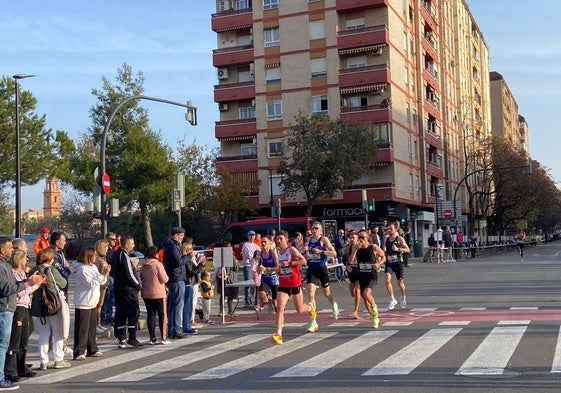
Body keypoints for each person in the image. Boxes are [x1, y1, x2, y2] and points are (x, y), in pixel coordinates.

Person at [1, 238, 46, 390]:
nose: (11, 250)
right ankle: (8, 372)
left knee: (21, 340)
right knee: (9, 343)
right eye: (9, 247)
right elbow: (12, 290)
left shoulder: (12, 269)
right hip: (12, 307)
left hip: (18, 306)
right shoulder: (6, 268)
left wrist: (33, 282)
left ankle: (19, 366)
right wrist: (31, 284)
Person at [29, 247, 70, 371]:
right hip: (53, 304)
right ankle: (58, 359)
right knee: (57, 332)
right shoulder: (51, 270)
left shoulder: (33, 270)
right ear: (50, 259)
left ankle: (43, 361)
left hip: (39, 305)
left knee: (43, 332)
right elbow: (63, 283)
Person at [271, 230, 310, 345]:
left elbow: (304, 261)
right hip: (283, 284)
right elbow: (278, 266)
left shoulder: (291, 250)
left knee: (300, 309)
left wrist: (290, 264)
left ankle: (310, 307)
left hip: (295, 283)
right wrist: (275, 269)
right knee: (280, 308)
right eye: (277, 239)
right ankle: (279, 334)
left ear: (286, 240)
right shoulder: (276, 252)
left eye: (281, 239)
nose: (278, 241)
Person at [73, 247, 110, 360]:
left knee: (91, 328)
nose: (95, 257)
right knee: (82, 328)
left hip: (92, 301)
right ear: (88, 256)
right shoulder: (82, 269)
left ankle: (92, 348)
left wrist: (104, 275)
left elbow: (101, 282)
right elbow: (91, 283)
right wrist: (101, 275)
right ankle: (79, 351)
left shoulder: (93, 267)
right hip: (83, 301)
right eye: (94, 255)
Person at [305, 221, 339, 333]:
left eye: (316, 228)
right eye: (313, 228)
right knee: (310, 294)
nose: (314, 230)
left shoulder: (323, 239)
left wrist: (321, 251)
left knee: (327, 293)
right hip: (312, 269)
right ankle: (313, 321)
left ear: (320, 230)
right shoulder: (309, 240)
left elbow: (334, 253)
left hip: (322, 269)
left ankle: (333, 304)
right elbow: (306, 253)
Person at [348, 229, 386, 328]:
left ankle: (374, 307)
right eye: (359, 237)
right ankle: (373, 317)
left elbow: (383, 256)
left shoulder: (373, 247)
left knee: (366, 293)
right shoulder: (357, 249)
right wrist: (355, 250)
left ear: (367, 238)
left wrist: (378, 263)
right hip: (362, 275)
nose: (360, 240)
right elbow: (350, 261)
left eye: (363, 237)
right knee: (365, 298)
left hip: (371, 275)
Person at [111, 236, 143, 348]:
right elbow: (129, 274)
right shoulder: (124, 256)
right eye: (132, 243)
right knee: (134, 312)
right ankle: (132, 338)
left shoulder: (115, 254)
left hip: (118, 287)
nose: (134, 245)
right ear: (126, 244)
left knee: (121, 313)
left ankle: (121, 337)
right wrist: (138, 285)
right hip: (128, 289)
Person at [140, 246, 170, 345]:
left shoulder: (143, 265)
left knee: (151, 314)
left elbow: (142, 278)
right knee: (162, 315)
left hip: (146, 293)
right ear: (155, 254)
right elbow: (164, 279)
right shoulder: (158, 264)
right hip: (159, 293)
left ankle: (152, 337)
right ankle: (163, 337)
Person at [162, 227, 186, 340]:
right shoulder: (172, 246)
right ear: (175, 235)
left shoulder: (170, 245)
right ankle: (175, 329)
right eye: (181, 235)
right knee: (177, 305)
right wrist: (189, 257)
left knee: (173, 305)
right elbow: (178, 262)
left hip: (174, 277)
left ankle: (172, 329)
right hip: (176, 278)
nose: (182, 238)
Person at [384, 222, 410, 310]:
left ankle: (403, 297)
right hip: (389, 263)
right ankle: (392, 299)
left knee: (400, 282)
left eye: (391, 229)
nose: (389, 230)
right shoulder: (386, 239)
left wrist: (398, 249)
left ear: (395, 229)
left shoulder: (399, 239)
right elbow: (384, 250)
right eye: (388, 229)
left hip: (398, 262)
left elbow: (407, 250)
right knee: (387, 279)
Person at [212, 241, 240, 318]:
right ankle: (230, 311)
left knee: (223, 294)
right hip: (230, 277)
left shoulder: (219, 256)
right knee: (230, 295)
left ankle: (221, 310)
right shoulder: (231, 256)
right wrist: (237, 263)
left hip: (221, 277)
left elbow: (216, 266)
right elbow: (236, 267)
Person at [182, 239, 202, 335]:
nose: (192, 250)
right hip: (188, 284)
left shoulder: (189, 260)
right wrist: (201, 264)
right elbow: (191, 272)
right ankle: (186, 325)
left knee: (189, 306)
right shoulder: (187, 260)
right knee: (187, 306)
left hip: (190, 284)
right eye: (190, 249)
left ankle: (187, 324)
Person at [256, 236, 279, 312]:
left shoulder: (273, 253)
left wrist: (268, 269)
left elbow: (278, 267)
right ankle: (268, 300)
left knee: (275, 302)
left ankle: (278, 315)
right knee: (261, 295)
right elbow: (258, 266)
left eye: (265, 242)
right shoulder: (260, 254)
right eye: (262, 241)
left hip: (273, 278)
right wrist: (259, 269)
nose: (263, 243)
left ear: (270, 243)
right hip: (264, 278)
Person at [100, 233, 118, 326]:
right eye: (112, 239)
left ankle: (109, 316)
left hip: (111, 277)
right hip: (108, 277)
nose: (115, 241)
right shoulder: (107, 252)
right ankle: (105, 317)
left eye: (115, 239)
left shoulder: (112, 250)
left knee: (110, 299)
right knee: (107, 298)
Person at [342, 231, 361, 319]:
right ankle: (358, 299)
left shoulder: (361, 247)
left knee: (357, 291)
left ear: (357, 239)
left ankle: (355, 311)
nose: (352, 240)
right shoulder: (347, 249)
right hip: (351, 271)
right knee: (352, 293)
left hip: (360, 271)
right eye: (351, 238)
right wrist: (346, 266)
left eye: (354, 238)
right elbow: (344, 260)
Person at [93, 239, 110, 334]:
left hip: (104, 285)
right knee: (98, 305)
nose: (107, 249)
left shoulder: (102, 259)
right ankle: (96, 324)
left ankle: (98, 323)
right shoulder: (98, 260)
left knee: (100, 305)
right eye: (106, 247)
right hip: (100, 286)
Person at [48, 232, 71, 298]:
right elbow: (60, 269)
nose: (65, 243)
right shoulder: (50, 254)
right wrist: (67, 270)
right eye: (63, 240)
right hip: (56, 288)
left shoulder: (60, 252)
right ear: (57, 242)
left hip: (62, 287)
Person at [241, 231, 260, 308]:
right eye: (250, 235)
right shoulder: (245, 245)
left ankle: (255, 300)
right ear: (248, 236)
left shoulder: (256, 245)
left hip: (256, 266)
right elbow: (250, 256)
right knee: (248, 284)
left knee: (256, 284)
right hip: (248, 266)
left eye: (253, 235)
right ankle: (247, 301)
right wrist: (255, 257)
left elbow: (259, 254)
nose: (252, 237)